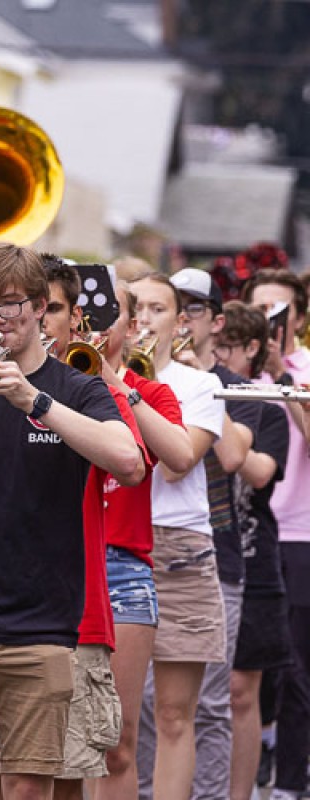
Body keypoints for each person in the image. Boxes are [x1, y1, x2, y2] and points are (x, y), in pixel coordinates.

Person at [0, 243, 142, 800]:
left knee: (30, 786)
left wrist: (36, 401)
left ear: (37, 308)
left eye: (8, 305)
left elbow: (127, 461)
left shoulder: (74, 388)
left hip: (43, 623)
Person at [128, 273, 232, 800]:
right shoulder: (94, 373)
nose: (145, 318)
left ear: (179, 322)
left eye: (157, 308)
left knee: (173, 714)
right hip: (118, 541)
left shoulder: (198, 384)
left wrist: (132, 389)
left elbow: (177, 463)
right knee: (113, 720)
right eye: (136, 308)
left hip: (179, 550)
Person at [90, 281, 192, 800]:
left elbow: (178, 453)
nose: (93, 322)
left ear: (131, 328)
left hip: (125, 570)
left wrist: (114, 382)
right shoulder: (49, 385)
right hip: (60, 563)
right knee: (52, 743)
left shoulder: (150, 392)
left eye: (108, 313)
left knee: (116, 743)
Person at [210, 301, 292, 800]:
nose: (217, 356)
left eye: (226, 349)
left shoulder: (265, 404)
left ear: (252, 350)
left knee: (242, 691)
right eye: (213, 346)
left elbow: (259, 471)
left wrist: (209, 398)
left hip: (253, 555)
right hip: (199, 556)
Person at [241, 268, 310, 800]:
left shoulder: (304, 369)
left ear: (299, 320)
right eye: (259, 310)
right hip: (245, 531)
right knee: (247, 666)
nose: (270, 323)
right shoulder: (232, 368)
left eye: (279, 313)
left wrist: (285, 385)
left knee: (295, 666)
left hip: (300, 531)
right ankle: (258, 739)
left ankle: (288, 781)